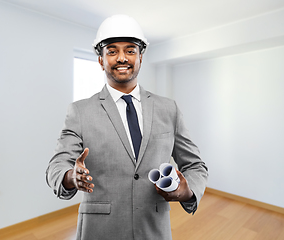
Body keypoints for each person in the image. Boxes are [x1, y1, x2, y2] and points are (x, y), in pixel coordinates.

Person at [46, 14, 208, 240]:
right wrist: (70, 176)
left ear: (141, 56)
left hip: (154, 230)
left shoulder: (168, 109)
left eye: (130, 50)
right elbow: (57, 163)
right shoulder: (79, 111)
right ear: (101, 60)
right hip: (100, 231)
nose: (122, 57)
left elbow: (195, 165)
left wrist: (187, 191)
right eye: (112, 51)